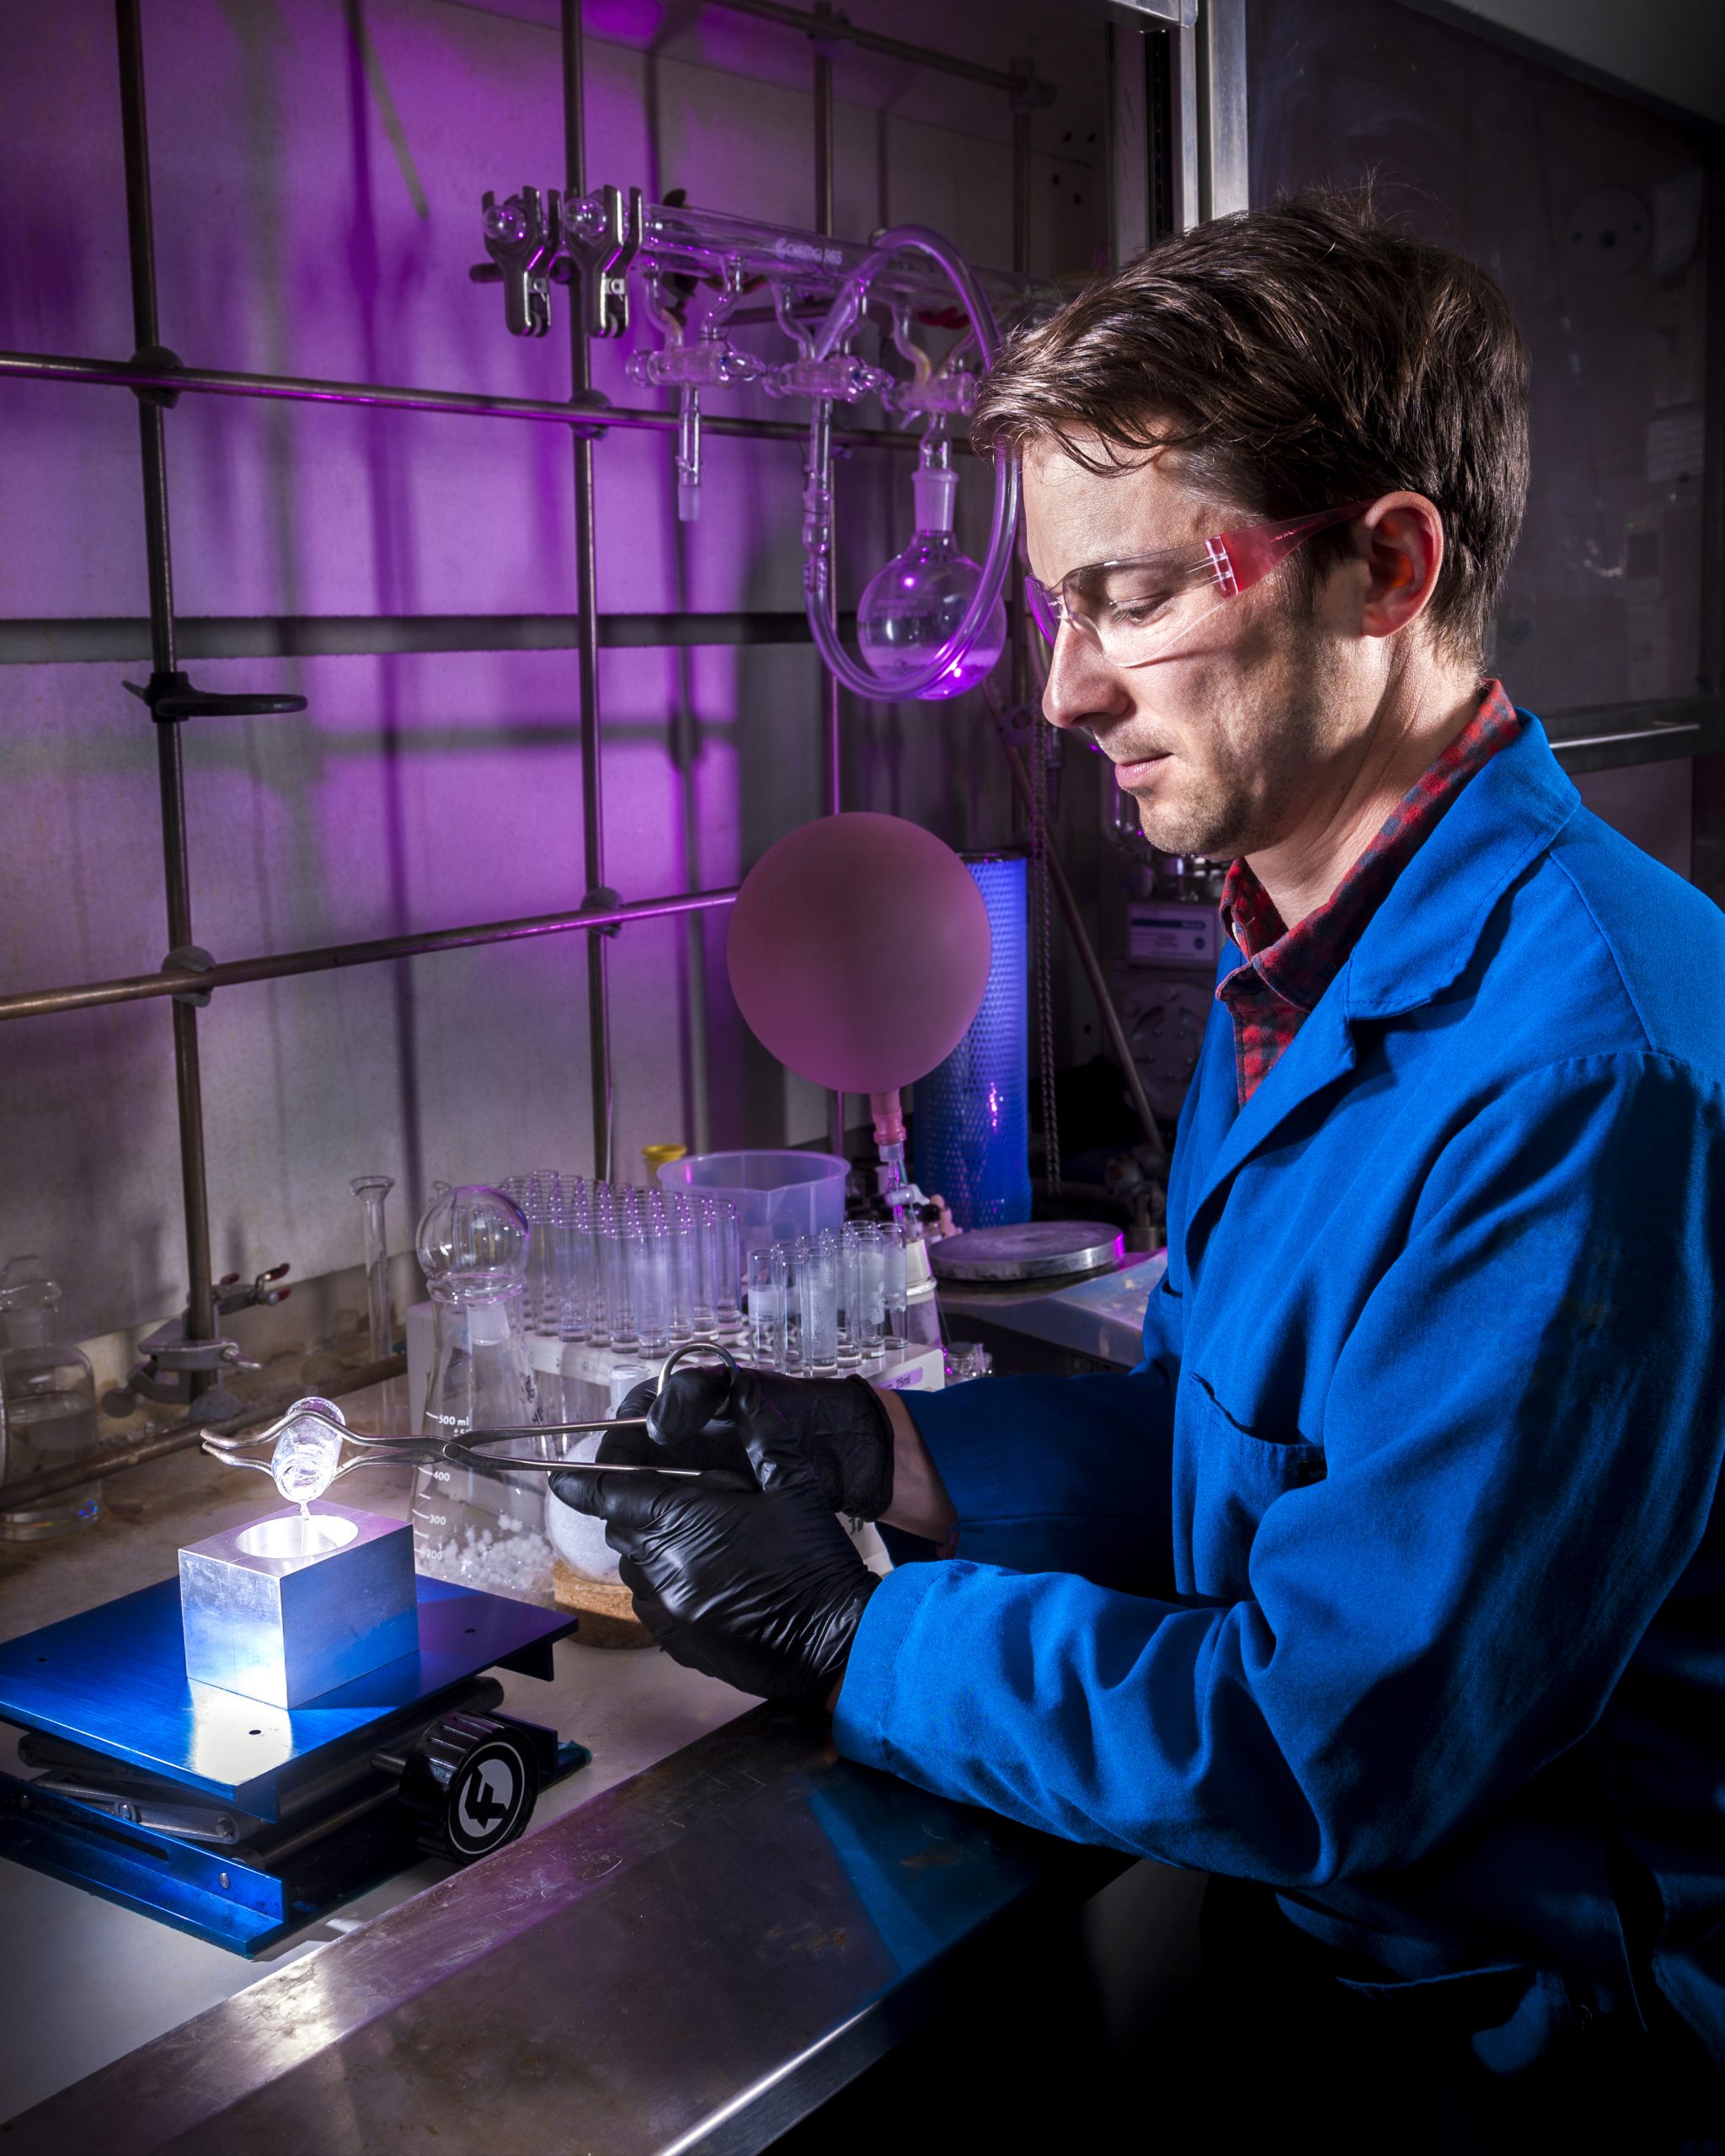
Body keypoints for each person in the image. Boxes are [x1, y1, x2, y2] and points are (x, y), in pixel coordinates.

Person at [554, 195, 1725, 2148]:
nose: (1061, 694)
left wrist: (861, 1633)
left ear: (1386, 568)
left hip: (1547, 2065)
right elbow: (1236, 1449)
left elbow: (1333, 1729)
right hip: (1363, 1986)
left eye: (1126, 599)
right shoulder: (1321, 949)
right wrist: (892, 1456)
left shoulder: (1580, 1069)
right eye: (1055, 608)